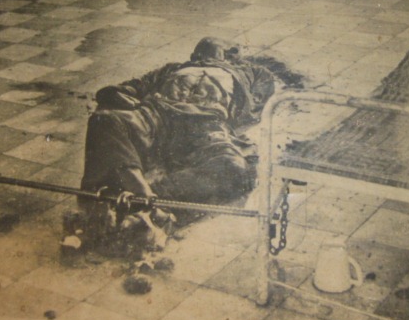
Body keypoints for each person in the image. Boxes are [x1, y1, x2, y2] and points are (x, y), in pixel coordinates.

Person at [76, 37, 280, 254]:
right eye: (200, 52)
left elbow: (264, 88)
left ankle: (152, 198)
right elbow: (122, 89)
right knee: (105, 120)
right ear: (194, 55)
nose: (206, 55)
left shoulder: (243, 74)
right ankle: (141, 193)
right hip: (157, 114)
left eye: (219, 50)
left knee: (232, 167)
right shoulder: (172, 69)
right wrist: (127, 99)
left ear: (228, 57)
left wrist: (238, 73)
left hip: (206, 123)